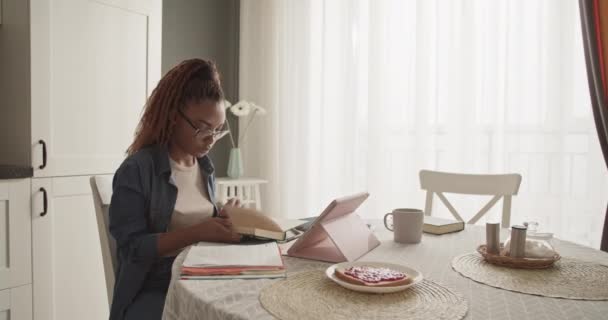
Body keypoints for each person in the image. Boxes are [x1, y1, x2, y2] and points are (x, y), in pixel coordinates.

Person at [108, 58, 241, 320]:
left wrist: (222, 217)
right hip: (154, 288)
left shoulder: (204, 165)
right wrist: (198, 232)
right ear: (172, 116)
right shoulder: (137, 170)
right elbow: (132, 249)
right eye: (202, 128)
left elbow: (195, 222)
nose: (211, 140)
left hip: (200, 277)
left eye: (217, 130)